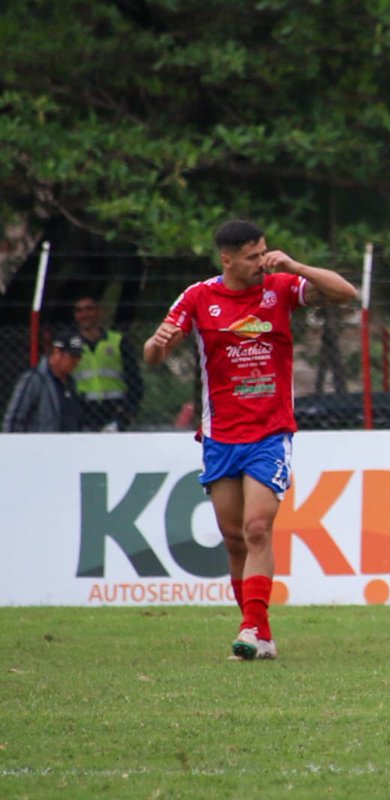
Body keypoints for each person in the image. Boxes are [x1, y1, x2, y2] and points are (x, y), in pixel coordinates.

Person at [143, 219, 357, 661]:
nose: (262, 262)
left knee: (258, 528)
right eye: (252, 256)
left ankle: (249, 628)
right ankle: (261, 633)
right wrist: (156, 344)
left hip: (270, 432)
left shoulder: (279, 287)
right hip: (220, 436)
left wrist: (295, 264)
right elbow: (154, 356)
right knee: (234, 537)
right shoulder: (199, 297)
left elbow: (346, 294)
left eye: (264, 252)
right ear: (227, 259)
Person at [72, 293, 144, 431]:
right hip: (82, 412)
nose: (84, 314)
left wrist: (126, 416)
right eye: (79, 310)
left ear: (99, 311)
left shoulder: (118, 342)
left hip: (115, 411)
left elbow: (135, 382)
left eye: (89, 309)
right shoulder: (71, 345)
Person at [2, 327, 85, 433]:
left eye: (79, 357)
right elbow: (14, 419)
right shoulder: (34, 380)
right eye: (72, 356)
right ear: (57, 352)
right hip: (39, 447)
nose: (76, 361)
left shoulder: (71, 383)